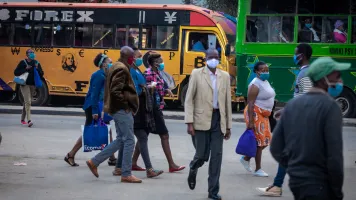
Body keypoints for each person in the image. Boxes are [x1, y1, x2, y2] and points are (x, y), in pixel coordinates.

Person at [270, 57, 347, 200]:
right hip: (320, 184)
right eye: (337, 76)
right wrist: (337, 190)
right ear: (324, 79)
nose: (340, 80)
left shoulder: (292, 105)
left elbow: (276, 147)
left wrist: (295, 167)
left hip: (297, 182)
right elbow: (334, 156)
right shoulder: (331, 107)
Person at [256, 43, 313, 196]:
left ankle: (278, 186)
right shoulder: (305, 72)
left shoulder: (305, 74)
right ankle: (278, 185)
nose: (294, 56)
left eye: (295, 53)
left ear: (302, 55)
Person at [86, 46, 142, 183]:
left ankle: (94, 162)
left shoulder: (116, 66)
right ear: (126, 57)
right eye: (132, 57)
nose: (134, 59)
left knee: (121, 139)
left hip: (116, 109)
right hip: (121, 110)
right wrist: (126, 106)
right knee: (129, 140)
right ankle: (126, 173)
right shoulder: (121, 69)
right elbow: (116, 91)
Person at [185, 48, 232, 200]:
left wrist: (228, 126)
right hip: (200, 119)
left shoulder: (224, 76)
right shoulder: (196, 74)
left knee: (216, 156)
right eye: (211, 57)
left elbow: (227, 103)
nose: (214, 59)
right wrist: (189, 122)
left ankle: (213, 191)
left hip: (219, 119)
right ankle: (193, 167)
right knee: (202, 155)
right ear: (205, 59)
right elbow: (189, 99)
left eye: (216, 57)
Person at [113, 48, 163, 178]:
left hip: (139, 108)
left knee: (127, 139)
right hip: (136, 109)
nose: (141, 59)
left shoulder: (134, 69)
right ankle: (148, 169)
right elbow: (133, 90)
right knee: (140, 138)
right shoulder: (128, 71)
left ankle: (119, 167)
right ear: (131, 57)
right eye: (138, 56)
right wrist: (146, 88)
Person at [64, 53, 116, 167]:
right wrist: (94, 111)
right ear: (103, 64)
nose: (111, 62)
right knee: (88, 132)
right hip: (94, 107)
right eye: (109, 61)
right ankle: (70, 154)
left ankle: (112, 158)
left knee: (107, 130)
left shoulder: (106, 74)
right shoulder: (99, 75)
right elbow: (94, 94)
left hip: (101, 106)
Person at [143, 52, 185, 173]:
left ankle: (133, 162)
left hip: (158, 107)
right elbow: (144, 89)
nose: (162, 63)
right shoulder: (148, 73)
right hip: (153, 109)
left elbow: (159, 88)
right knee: (164, 135)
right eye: (160, 61)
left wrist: (166, 91)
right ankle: (171, 164)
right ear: (155, 63)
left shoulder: (158, 73)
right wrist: (151, 88)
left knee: (143, 136)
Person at [239, 61, 275, 177]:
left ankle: (246, 158)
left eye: (267, 70)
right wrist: (251, 121)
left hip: (264, 114)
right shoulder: (255, 84)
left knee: (266, 140)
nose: (266, 72)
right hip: (255, 113)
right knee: (260, 141)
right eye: (263, 70)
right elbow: (250, 103)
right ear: (257, 72)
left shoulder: (265, 82)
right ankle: (258, 169)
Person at [14, 49, 44, 128]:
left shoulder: (36, 63)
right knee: (28, 102)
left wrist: (37, 68)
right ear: (27, 54)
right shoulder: (23, 62)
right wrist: (25, 69)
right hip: (24, 84)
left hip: (33, 85)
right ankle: (29, 120)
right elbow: (16, 72)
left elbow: (42, 74)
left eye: (33, 53)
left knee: (26, 102)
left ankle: (22, 119)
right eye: (30, 53)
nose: (32, 54)